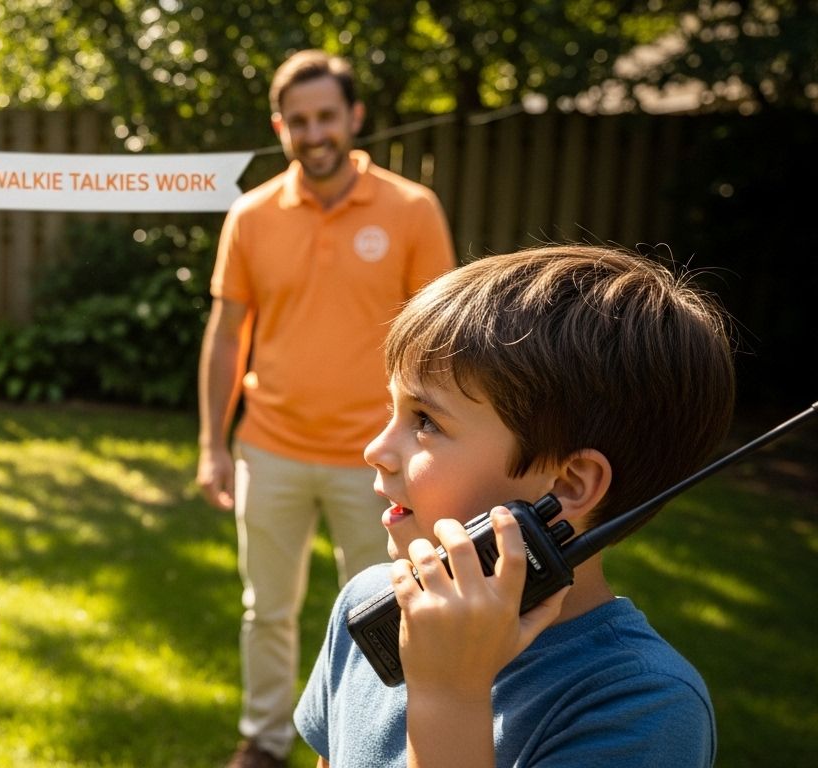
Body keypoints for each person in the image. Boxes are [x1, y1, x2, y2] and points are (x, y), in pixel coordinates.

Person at [294, 245, 735, 767]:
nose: (376, 450)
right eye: (394, 408)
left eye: (426, 422)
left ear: (570, 485)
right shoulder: (371, 605)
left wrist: (450, 694)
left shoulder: (642, 706)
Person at [197, 49, 455, 767]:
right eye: (298, 121)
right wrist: (213, 446)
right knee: (267, 611)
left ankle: (375, 746)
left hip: (383, 459)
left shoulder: (411, 210)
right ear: (280, 127)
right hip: (270, 445)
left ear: (355, 118)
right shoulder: (250, 216)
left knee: (392, 606)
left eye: (327, 118)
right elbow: (226, 339)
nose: (314, 134)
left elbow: (440, 344)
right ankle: (265, 740)